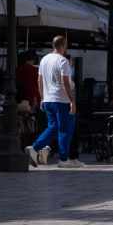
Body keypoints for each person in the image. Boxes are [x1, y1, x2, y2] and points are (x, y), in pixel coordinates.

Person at [30, 36, 78, 167]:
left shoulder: (44, 59)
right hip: (61, 100)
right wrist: (72, 100)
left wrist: (42, 98)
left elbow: (39, 80)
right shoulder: (63, 61)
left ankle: (34, 148)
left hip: (48, 99)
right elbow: (65, 83)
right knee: (64, 129)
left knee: (53, 127)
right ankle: (63, 159)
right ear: (64, 45)